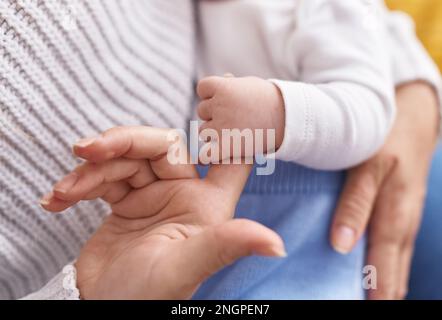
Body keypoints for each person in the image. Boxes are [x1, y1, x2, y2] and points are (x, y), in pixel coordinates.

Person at [0, 0, 439, 300]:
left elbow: (370, 112)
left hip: (308, 211)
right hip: (200, 214)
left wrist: (279, 111)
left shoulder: (323, 8)